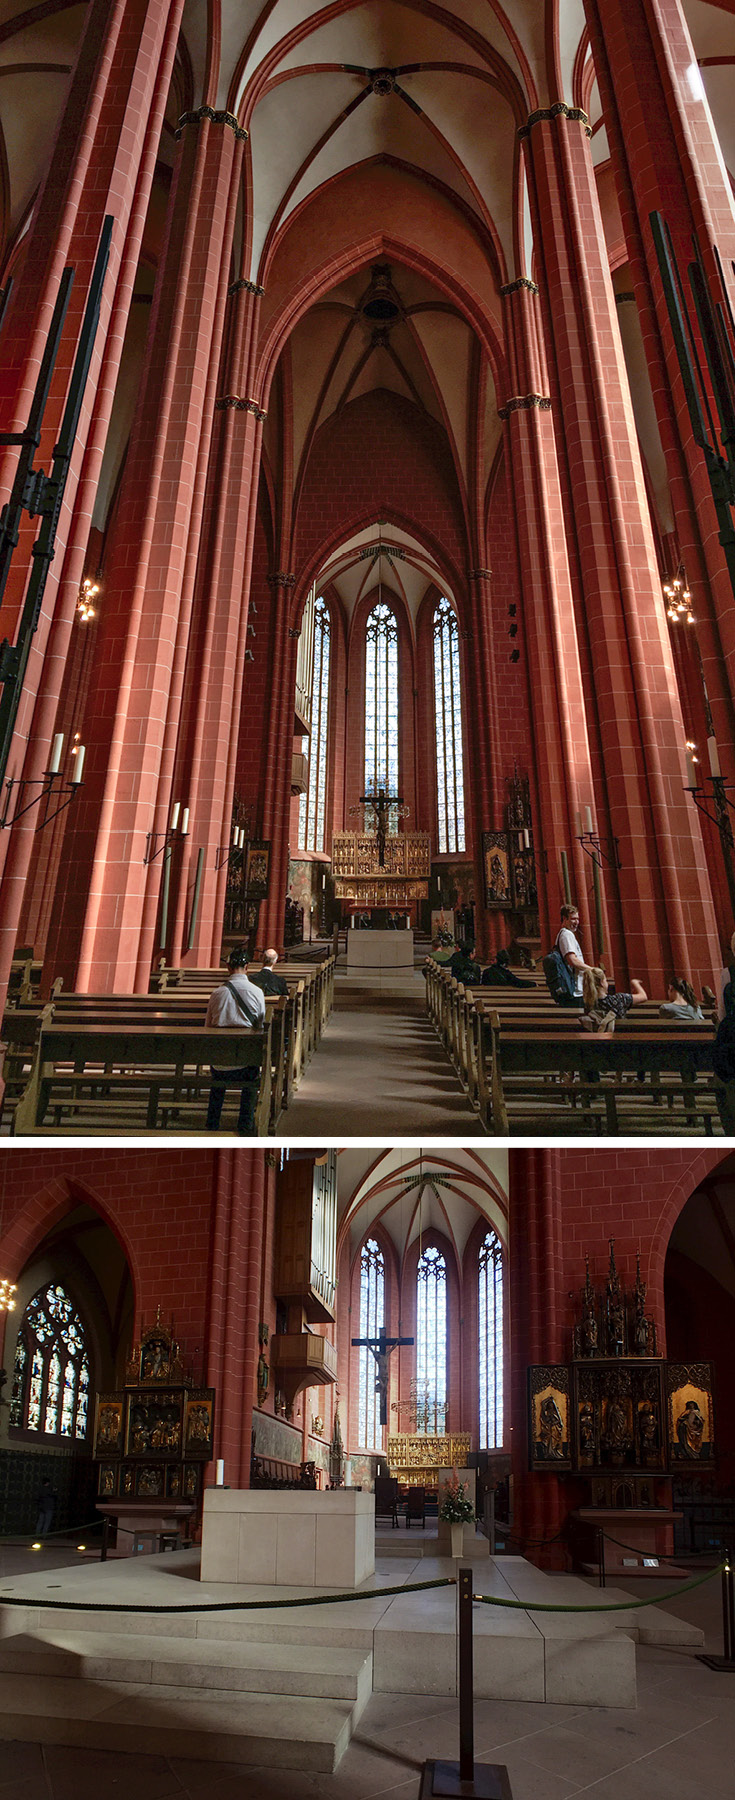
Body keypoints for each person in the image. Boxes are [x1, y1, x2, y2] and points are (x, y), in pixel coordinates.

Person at [205, 945, 266, 1134]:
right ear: (247, 967)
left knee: (218, 1082)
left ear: (228, 968)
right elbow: (260, 1025)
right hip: (246, 1063)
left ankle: (212, 1123)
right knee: (251, 1081)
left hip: (220, 1063)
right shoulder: (257, 992)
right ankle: (245, 1124)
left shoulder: (217, 993)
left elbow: (208, 1026)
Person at [581, 966, 647, 1029]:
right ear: (602, 983)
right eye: (606, 980)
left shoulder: (588, 1004)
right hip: (620, 1036)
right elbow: (643, 997)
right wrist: (635, 983)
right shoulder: (619, 999)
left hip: (597, 1037)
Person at [556, 903, 587, 1003]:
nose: (577, 922)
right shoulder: (566, 935)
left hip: (575, 988)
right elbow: (572, 960)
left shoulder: (565, 934)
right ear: (565, 918)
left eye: (577, 919)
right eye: (573, 919)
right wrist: (592, 970)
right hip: (575, 989)